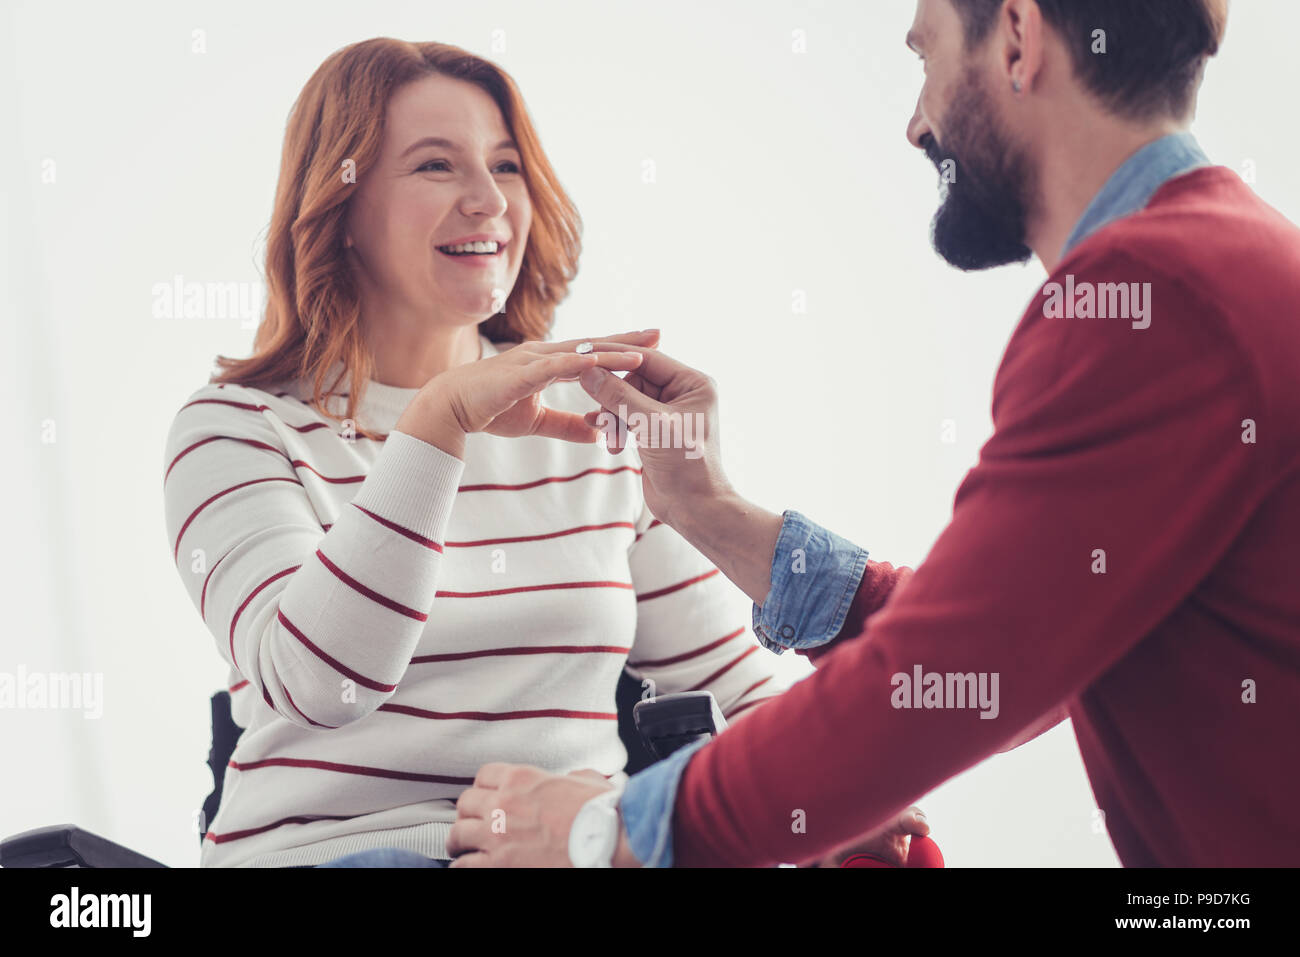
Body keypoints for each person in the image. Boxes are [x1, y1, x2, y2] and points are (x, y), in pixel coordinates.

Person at [447, 0, 1300, 867]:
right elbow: (994, 652)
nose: (913, 125)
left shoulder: (1153, 295)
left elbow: (949, 673)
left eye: (924, 59)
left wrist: (609, 830)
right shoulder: (1221, 266)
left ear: (1016, 38)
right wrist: (708, 507)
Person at [163, 38, 845, 868]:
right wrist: (439, 424)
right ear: (341, 208)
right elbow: (321, 680)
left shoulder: (589, 424)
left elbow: (734, 687)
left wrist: (839, 805)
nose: (488, 200)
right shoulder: (236, 430)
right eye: (435, 167)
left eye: (507, 166)